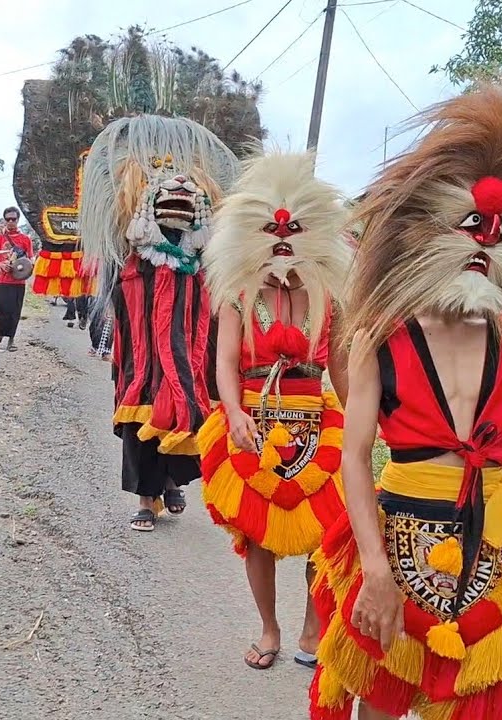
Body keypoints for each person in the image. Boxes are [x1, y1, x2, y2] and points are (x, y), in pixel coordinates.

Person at [309, 83, 502, 720]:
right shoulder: (378, 336)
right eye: (470, 229)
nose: (483, 247)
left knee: (482, 704)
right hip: (399, 536)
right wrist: (377, 571)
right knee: (383, 701)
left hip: (497, 546)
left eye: (498, 237)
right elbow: (354, 458)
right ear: (429, 235)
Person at [197, 150, 351, 670]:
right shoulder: (237, 294)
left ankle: (313, 627)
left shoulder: (330, 295)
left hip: (316, 417)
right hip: (253, 421)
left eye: (295, 230)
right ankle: (269, 627)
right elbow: (223, 363)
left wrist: (362, 425)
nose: (283, 240)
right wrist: (234, 413)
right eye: (271, 230)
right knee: (256, 533)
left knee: (325, 533)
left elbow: (346, 367)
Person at [81, 115, 239, 532]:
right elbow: (116, 299)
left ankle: (171, 483)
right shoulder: (131, 256)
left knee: (186, 414)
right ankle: (145, 499)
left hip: (188, 358)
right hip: (143, 359)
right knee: (141, 418)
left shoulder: (203, 262)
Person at [0, 207, 34, 352]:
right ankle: (0, 330)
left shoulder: (25, 239)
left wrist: (23, 266)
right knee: (0, 307)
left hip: (18, 281)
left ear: (18, 220)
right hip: (1, 280)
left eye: (13, 219)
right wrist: (0, 264)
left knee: (15, 311)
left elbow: (31, 258)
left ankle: (11, 340)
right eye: (8, 219)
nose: (11, 222)